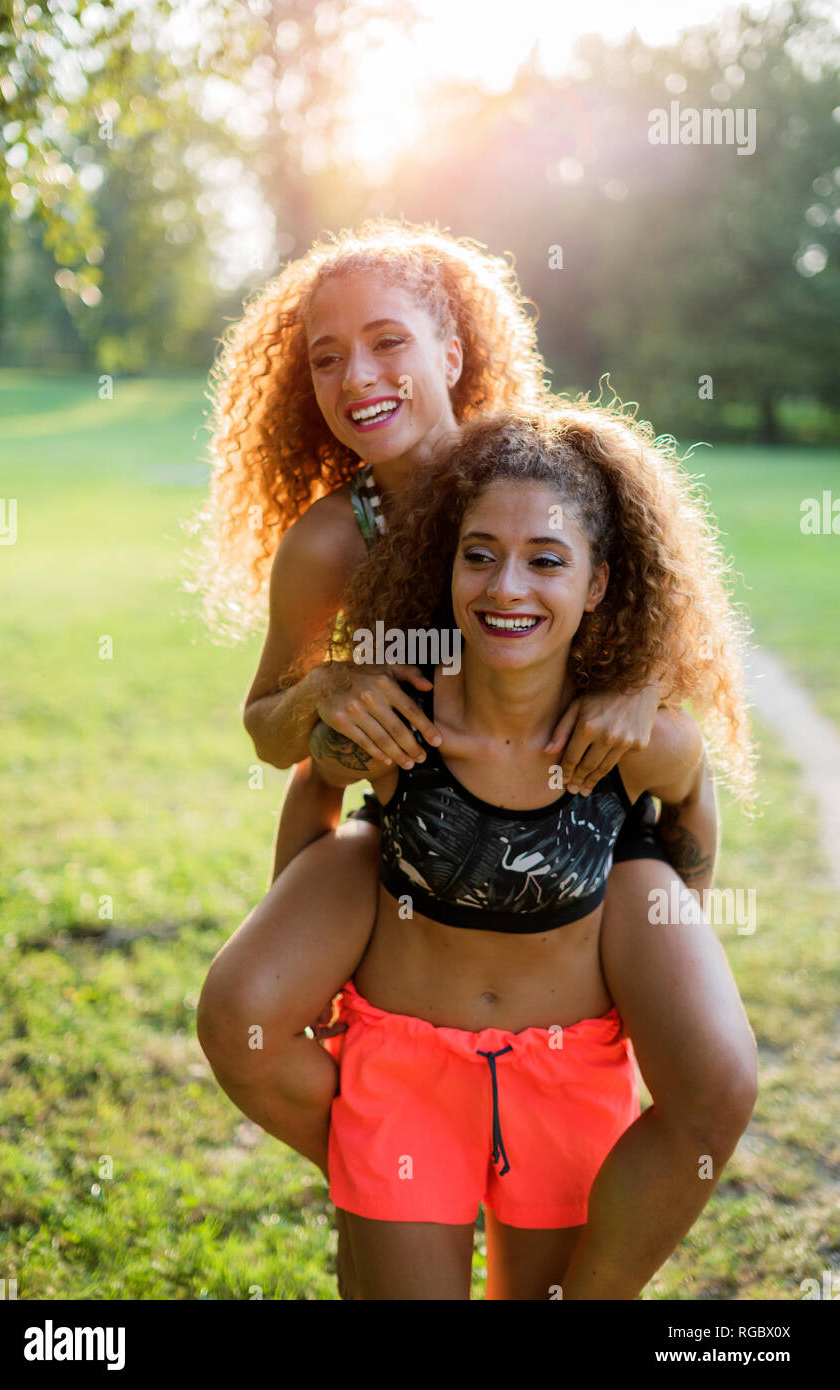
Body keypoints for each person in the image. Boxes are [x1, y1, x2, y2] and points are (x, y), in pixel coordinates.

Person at [193, 220, 755, 1296]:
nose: (358, 376)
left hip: (577, 822)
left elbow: (647, 651)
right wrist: (325, 690)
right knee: (272, 1025)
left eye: (388, 341)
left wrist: (644, 698)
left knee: (704, 1078)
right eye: (325, 356)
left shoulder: (534, 470)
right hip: (415, 814)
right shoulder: (332, 540)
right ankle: (405, 1158)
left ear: (452, 350)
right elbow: (276, 735)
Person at [308, 408, 757, 1300]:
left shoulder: (635, 736)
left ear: (598, 585)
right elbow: (316, 779)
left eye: (547, 560)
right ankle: (383, 1172)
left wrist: (667, 938)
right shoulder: (398, 718)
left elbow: (690, 805)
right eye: (479, 555)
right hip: (406, 1069)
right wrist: (314, 934)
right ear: (447, 564)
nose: (506, 586)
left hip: (566, 1066)